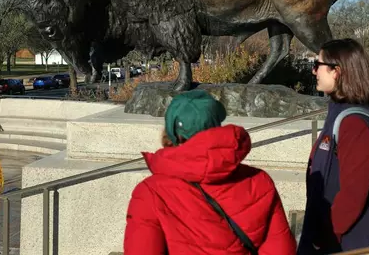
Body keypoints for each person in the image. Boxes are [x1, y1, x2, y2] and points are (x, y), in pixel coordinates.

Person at [124, 89, 296, 254]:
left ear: (171, 132)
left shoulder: (149, 193)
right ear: (216, 126)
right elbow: (280, 249)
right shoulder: (259, 181)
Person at [297, 38, 369, 254]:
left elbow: (353, 194)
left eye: (317, 65)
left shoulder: (355, 124)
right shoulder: (340, 115)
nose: (314, 72)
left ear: (336, 71)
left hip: (348, 243)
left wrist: (324, 237)